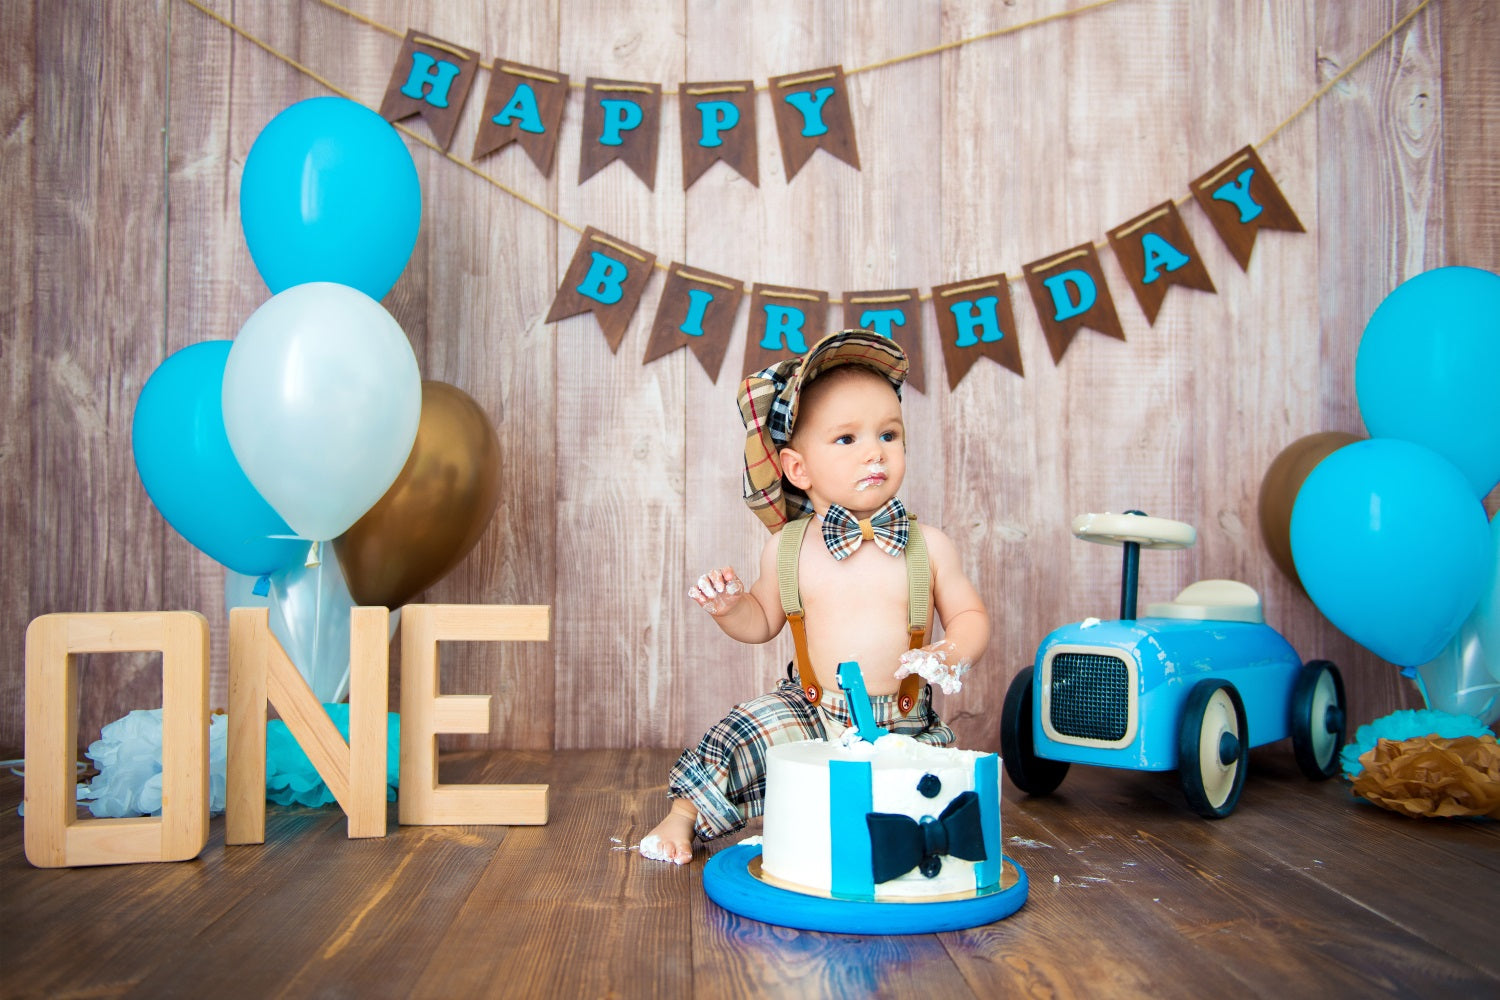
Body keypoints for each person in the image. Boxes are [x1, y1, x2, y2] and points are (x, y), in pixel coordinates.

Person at [639, 330, 990, 865]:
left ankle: (904, 847)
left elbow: (968, 615)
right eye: (847, 439)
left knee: (931, 787)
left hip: (904, 715)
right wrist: (731, 608)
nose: (874, 450)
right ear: (798, 469)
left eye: (889, 434)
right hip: (812, 707)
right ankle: (684, 814)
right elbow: (762, 621)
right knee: (745, 728)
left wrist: (951, 651)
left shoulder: (931, 546)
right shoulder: (789, 547)